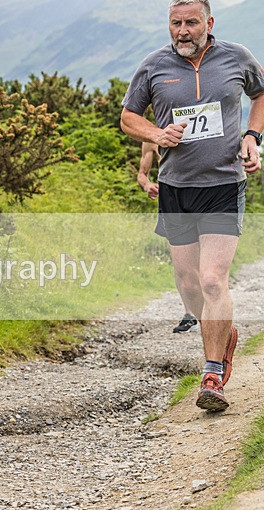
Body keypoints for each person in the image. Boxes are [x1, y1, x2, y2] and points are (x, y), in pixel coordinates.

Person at [121, 0, 264, 411]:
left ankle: (213, 372)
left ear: (209, 23)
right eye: (175, 23)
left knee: (214, 279)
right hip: (175, 187)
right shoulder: (153, 66)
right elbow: (129, 118)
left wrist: (253, 137)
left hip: (222, 183)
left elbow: (261, 94)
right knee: (189, 286)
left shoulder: (237, 57)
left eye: (191, 23)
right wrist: (158, 133)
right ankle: (224, 333)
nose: (183, 31)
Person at [137, 141, 199, 334]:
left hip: (204, 193)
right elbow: (142, 174)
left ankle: (213, 306)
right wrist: (147, 185)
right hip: (171, 197)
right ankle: (189, 313)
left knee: (206, 258)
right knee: (180, 259)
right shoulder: (151, 137)